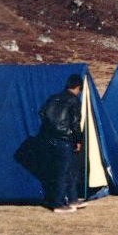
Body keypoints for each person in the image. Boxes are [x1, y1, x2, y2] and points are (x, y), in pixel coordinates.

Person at [38, 73, 85, 214]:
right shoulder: (74, 101)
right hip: (65, 139)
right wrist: (78, 140)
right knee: (65, 172)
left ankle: (72, 199)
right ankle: (58, 204)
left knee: (65, 170)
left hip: (51, 140)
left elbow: (42, 114)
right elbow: (76, 123)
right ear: (78, 87)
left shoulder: (53, 98)